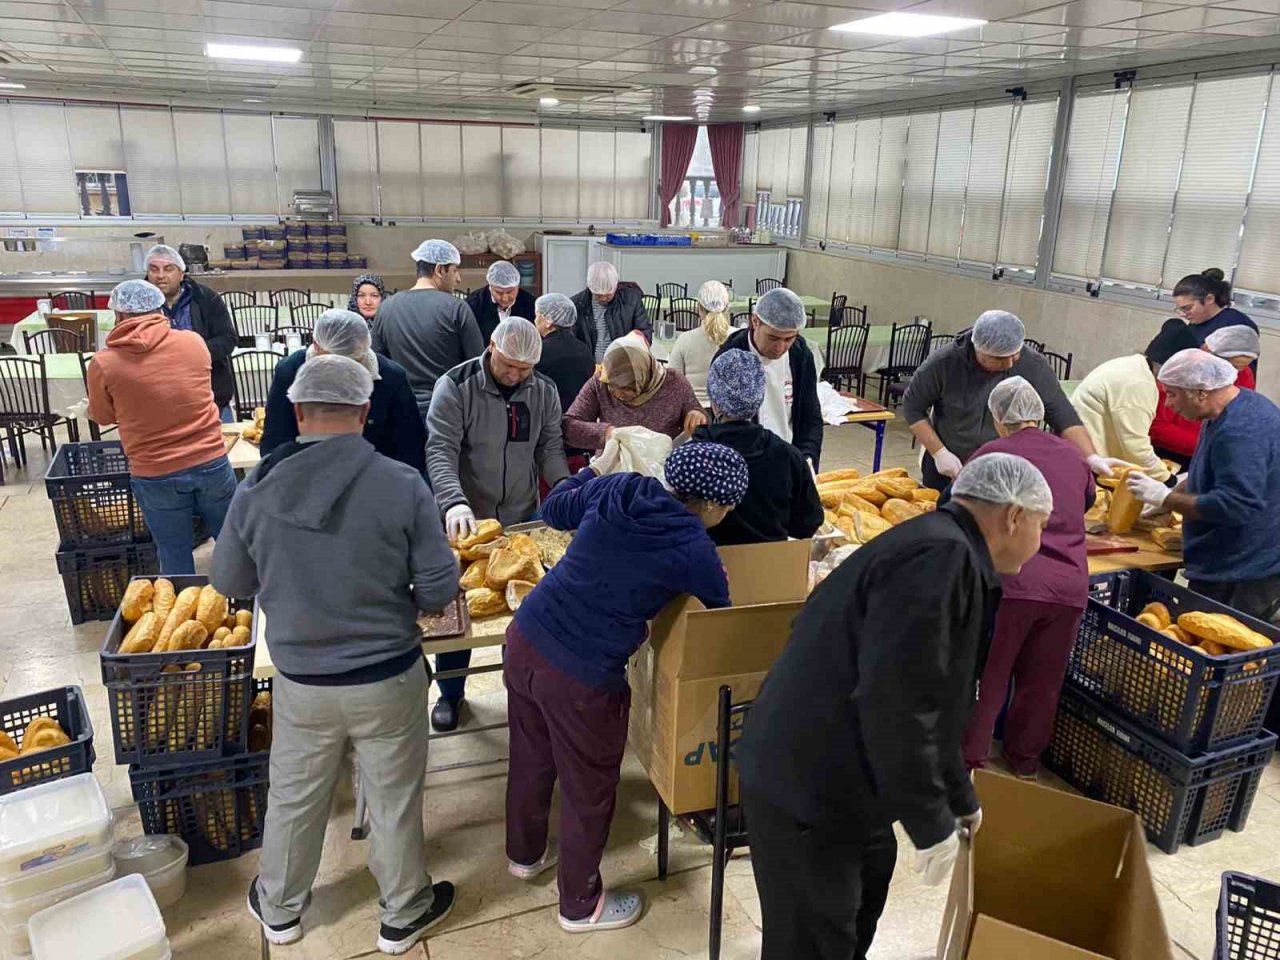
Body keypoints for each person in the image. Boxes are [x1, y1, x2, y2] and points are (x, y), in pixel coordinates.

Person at [736, 453, 1054, 960]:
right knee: (813, 940)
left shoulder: (945, 548)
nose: (1041, 541)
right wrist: (929, 821)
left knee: (863, 897)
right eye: (1042, 525)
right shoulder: (939, 558)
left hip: (847, 771)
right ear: (1014, 516)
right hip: (805, 781)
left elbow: (936, 696)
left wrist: (958, 794)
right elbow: (896, 699)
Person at [211, 355, 459, 956]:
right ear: (366, 412)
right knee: (394, 797)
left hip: (302, 681)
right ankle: (403, 913)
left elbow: (230, 582)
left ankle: (280, 909)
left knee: (295, 797)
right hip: (388, 676)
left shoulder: (257, 487)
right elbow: (437, 590)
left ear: (296, 411)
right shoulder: (402, 483)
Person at [504, 442, 748, 933]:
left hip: (526, 637)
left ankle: (525, 855)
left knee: (531, 757)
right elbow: (721, 614)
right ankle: (579, 906)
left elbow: (553, 510)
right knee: (588, 789)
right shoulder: (694, 547)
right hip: (581, 676)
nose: (727, 516)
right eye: (728, 508)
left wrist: (592, 470)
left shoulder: (621, 487)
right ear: (711, 505)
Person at [426, 317, 570, 732]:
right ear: (491, 346)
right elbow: (440, 450)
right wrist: (452, 501)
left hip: (521, 516)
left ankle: (519, 692)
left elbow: (549, 447)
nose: (515, 375)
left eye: (525, 369)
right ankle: (451, 692)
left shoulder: (543, 390)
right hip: (468, 520)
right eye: (508, 365)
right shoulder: (456, 386)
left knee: (522, 608)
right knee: (461, 608)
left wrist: (564, 485)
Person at [961, 378, 1094, 778]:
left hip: (1012, 583)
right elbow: (1085, 501)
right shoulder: (1072, 455)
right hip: (1069, 586)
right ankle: (1025, 762)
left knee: (990, 675)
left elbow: (961, 508)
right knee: (1043, 681)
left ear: (998, 417)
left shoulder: (992, 454)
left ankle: (971, 760)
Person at [86, 280, 237, 575]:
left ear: (118, 315)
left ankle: (183, 600)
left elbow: (103, 416)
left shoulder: (104, 363)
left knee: (173, 551)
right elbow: (191, 391)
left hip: (155, 471)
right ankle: (246, 598)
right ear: (160, 309)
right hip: (210, 461)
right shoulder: (193, 343)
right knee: (234, 544)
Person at [1127, 349, 1280, 637]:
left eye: (1172, 394)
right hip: (1230, 559)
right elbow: (1210, 472)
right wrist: (1170, 495)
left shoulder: (1240, 432)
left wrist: (1166, 498)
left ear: (1200, 392)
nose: (1168, 404)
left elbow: (1236, 506)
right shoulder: (1229, 410)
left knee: (1216, 646)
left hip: (1243, 569)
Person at [903, 310, 1120, 491]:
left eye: (1014, 355)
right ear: (979, 350)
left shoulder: (1033, 365)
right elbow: (913, 407)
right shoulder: (944, 364)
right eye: (999, 359)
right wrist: (940, 453)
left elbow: (1062, 414)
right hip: (951, 465)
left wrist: (1091, 457)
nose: (1009, 364)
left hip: (1005, 468)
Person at [260, 309, 426, 473]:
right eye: (332, 363)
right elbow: (275, 441)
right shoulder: (291, 372)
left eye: (352, 363)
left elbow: (411, 445)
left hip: (376, 476)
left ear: (365, 347)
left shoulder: (391, 377)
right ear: (316, 345)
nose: (341, 372)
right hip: (306, 474)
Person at [692, 350, 823, 546]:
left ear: (714, 399)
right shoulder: (789, 456)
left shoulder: (692, 457)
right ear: (759, 397)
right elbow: (808, 523)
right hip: (772, 561)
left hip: (708, 560)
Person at [1072, 317, 1201, 484]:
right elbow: (1134, 445)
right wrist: (1167, 479)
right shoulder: (1138, 384)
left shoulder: (1135, 365)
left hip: (1088, 448)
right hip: (1088, 457)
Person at [371, 239, 485, 419]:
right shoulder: (456, 308)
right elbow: (477, 367)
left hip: (401, 412)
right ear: (439, 270)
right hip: (448, 411)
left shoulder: (386, 308)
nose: (458, 278)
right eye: (455, 270)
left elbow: (376, 364)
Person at [714, 287, 824, 468]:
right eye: (773, 338)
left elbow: (810, 415)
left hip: (790, 458)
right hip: (745, 462)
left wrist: (807, 458)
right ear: (755, 321)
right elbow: (724, 426)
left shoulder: (800, 356)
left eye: (788, 339)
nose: (780, 348)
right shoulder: (730, 358)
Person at [143, 244, 237, 422]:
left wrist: (192, 354)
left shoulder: (206, 298)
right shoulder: (138, 306)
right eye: (154, 269)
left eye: (168, 269)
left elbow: (227, 339)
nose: (160, 276)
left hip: (210, 395)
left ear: (181, 273)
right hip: (159, 398)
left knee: (222, 438)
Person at [563, 337, 705, 452]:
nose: (617, 394)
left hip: (660, 465)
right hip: (613, 466)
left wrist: (696, 414)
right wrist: (608, 433)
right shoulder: (601, 383)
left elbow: (697, 413)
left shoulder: (674, 383)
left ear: (645, 375)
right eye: (612, 386)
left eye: (626, 388)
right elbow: (569, 426)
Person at [667, 280, 733, 407]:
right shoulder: (739, 337)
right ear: (727, 307)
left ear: (700, 308)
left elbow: (672, 382)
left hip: (693, 410)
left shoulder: (684, 339)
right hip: (728, 412)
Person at [570, 262, 651, 361]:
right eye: (598, 295)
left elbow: (645, 332)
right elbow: (571, 340)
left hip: (623, 363)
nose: (603, 298)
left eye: (608, 295)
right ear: (590, 287)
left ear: (616, 286)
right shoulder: (577, 304)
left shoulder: (632, 300)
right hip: (589, 364)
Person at [533, 293, 595, 417]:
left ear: (548, 320)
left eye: (537, 315)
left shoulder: (539, 351)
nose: (534, 321)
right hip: (579, 417)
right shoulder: (584, 349)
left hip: (547, 418)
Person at [1172, 269, 1258, 350]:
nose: (1183, 314)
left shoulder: (1237, 326)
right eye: (1180, 309)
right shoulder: (1195, 323)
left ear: (1209, 299)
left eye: (1187, 308)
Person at [466, 261, 536, 343]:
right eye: (499, 292)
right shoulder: (473, 304)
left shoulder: (530, 304)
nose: (505, 298)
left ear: (517, 286)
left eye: (510, 292)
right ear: (490, 287)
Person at [1205, 325, 1259, 390]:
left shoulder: (1244, 374)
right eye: (1234, 366)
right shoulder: (1199, 369)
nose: (1237, 371)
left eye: (1244, 366)